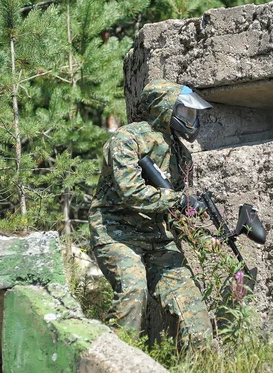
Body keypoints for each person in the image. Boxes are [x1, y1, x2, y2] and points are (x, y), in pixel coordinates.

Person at [88, 79, 214, 350]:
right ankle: (113, 363)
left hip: (158, 238)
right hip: (116, 232)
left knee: (195, 317)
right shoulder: (127, 138)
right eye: (186, 112)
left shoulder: (181, 155)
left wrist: (195, 223)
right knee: (133, 292)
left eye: (193, 114)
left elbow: (175, 210)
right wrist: (177, 199)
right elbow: (131, 192)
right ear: (166, 109)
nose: (191, 120)